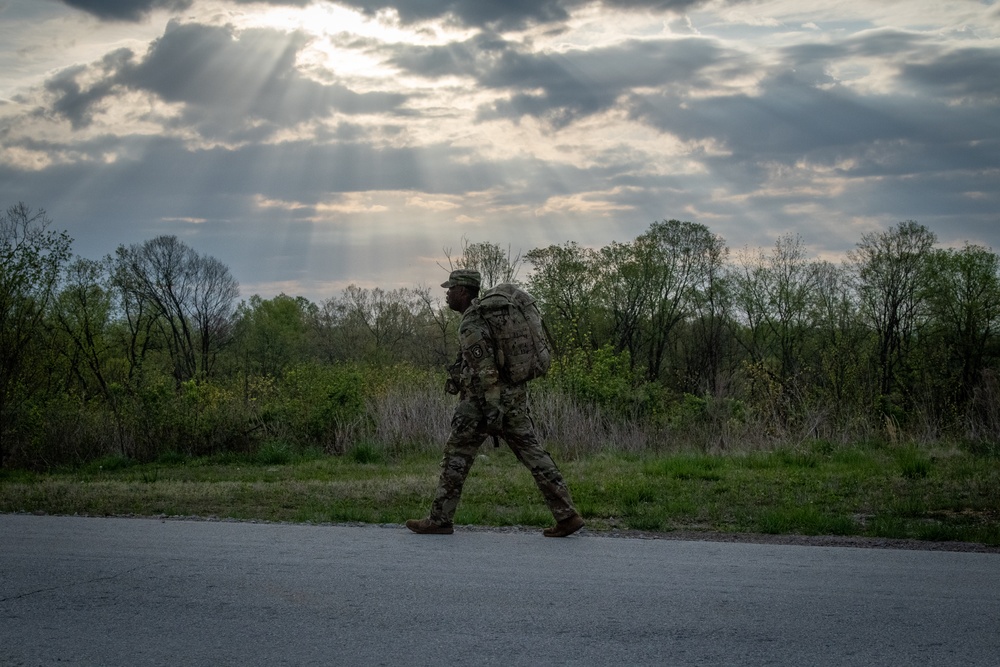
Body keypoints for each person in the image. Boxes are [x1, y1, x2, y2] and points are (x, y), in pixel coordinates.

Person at [406, 269, 585, 538]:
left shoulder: (471, 322)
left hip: (482, 403)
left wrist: (492, 413)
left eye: (450, 288)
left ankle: (440, 520)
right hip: (512, 397)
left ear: (463, 292)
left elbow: (486, 371)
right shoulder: (480, 317)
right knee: (534, 455)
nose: (446, 294)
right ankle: (567, 515)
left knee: (456, 457)